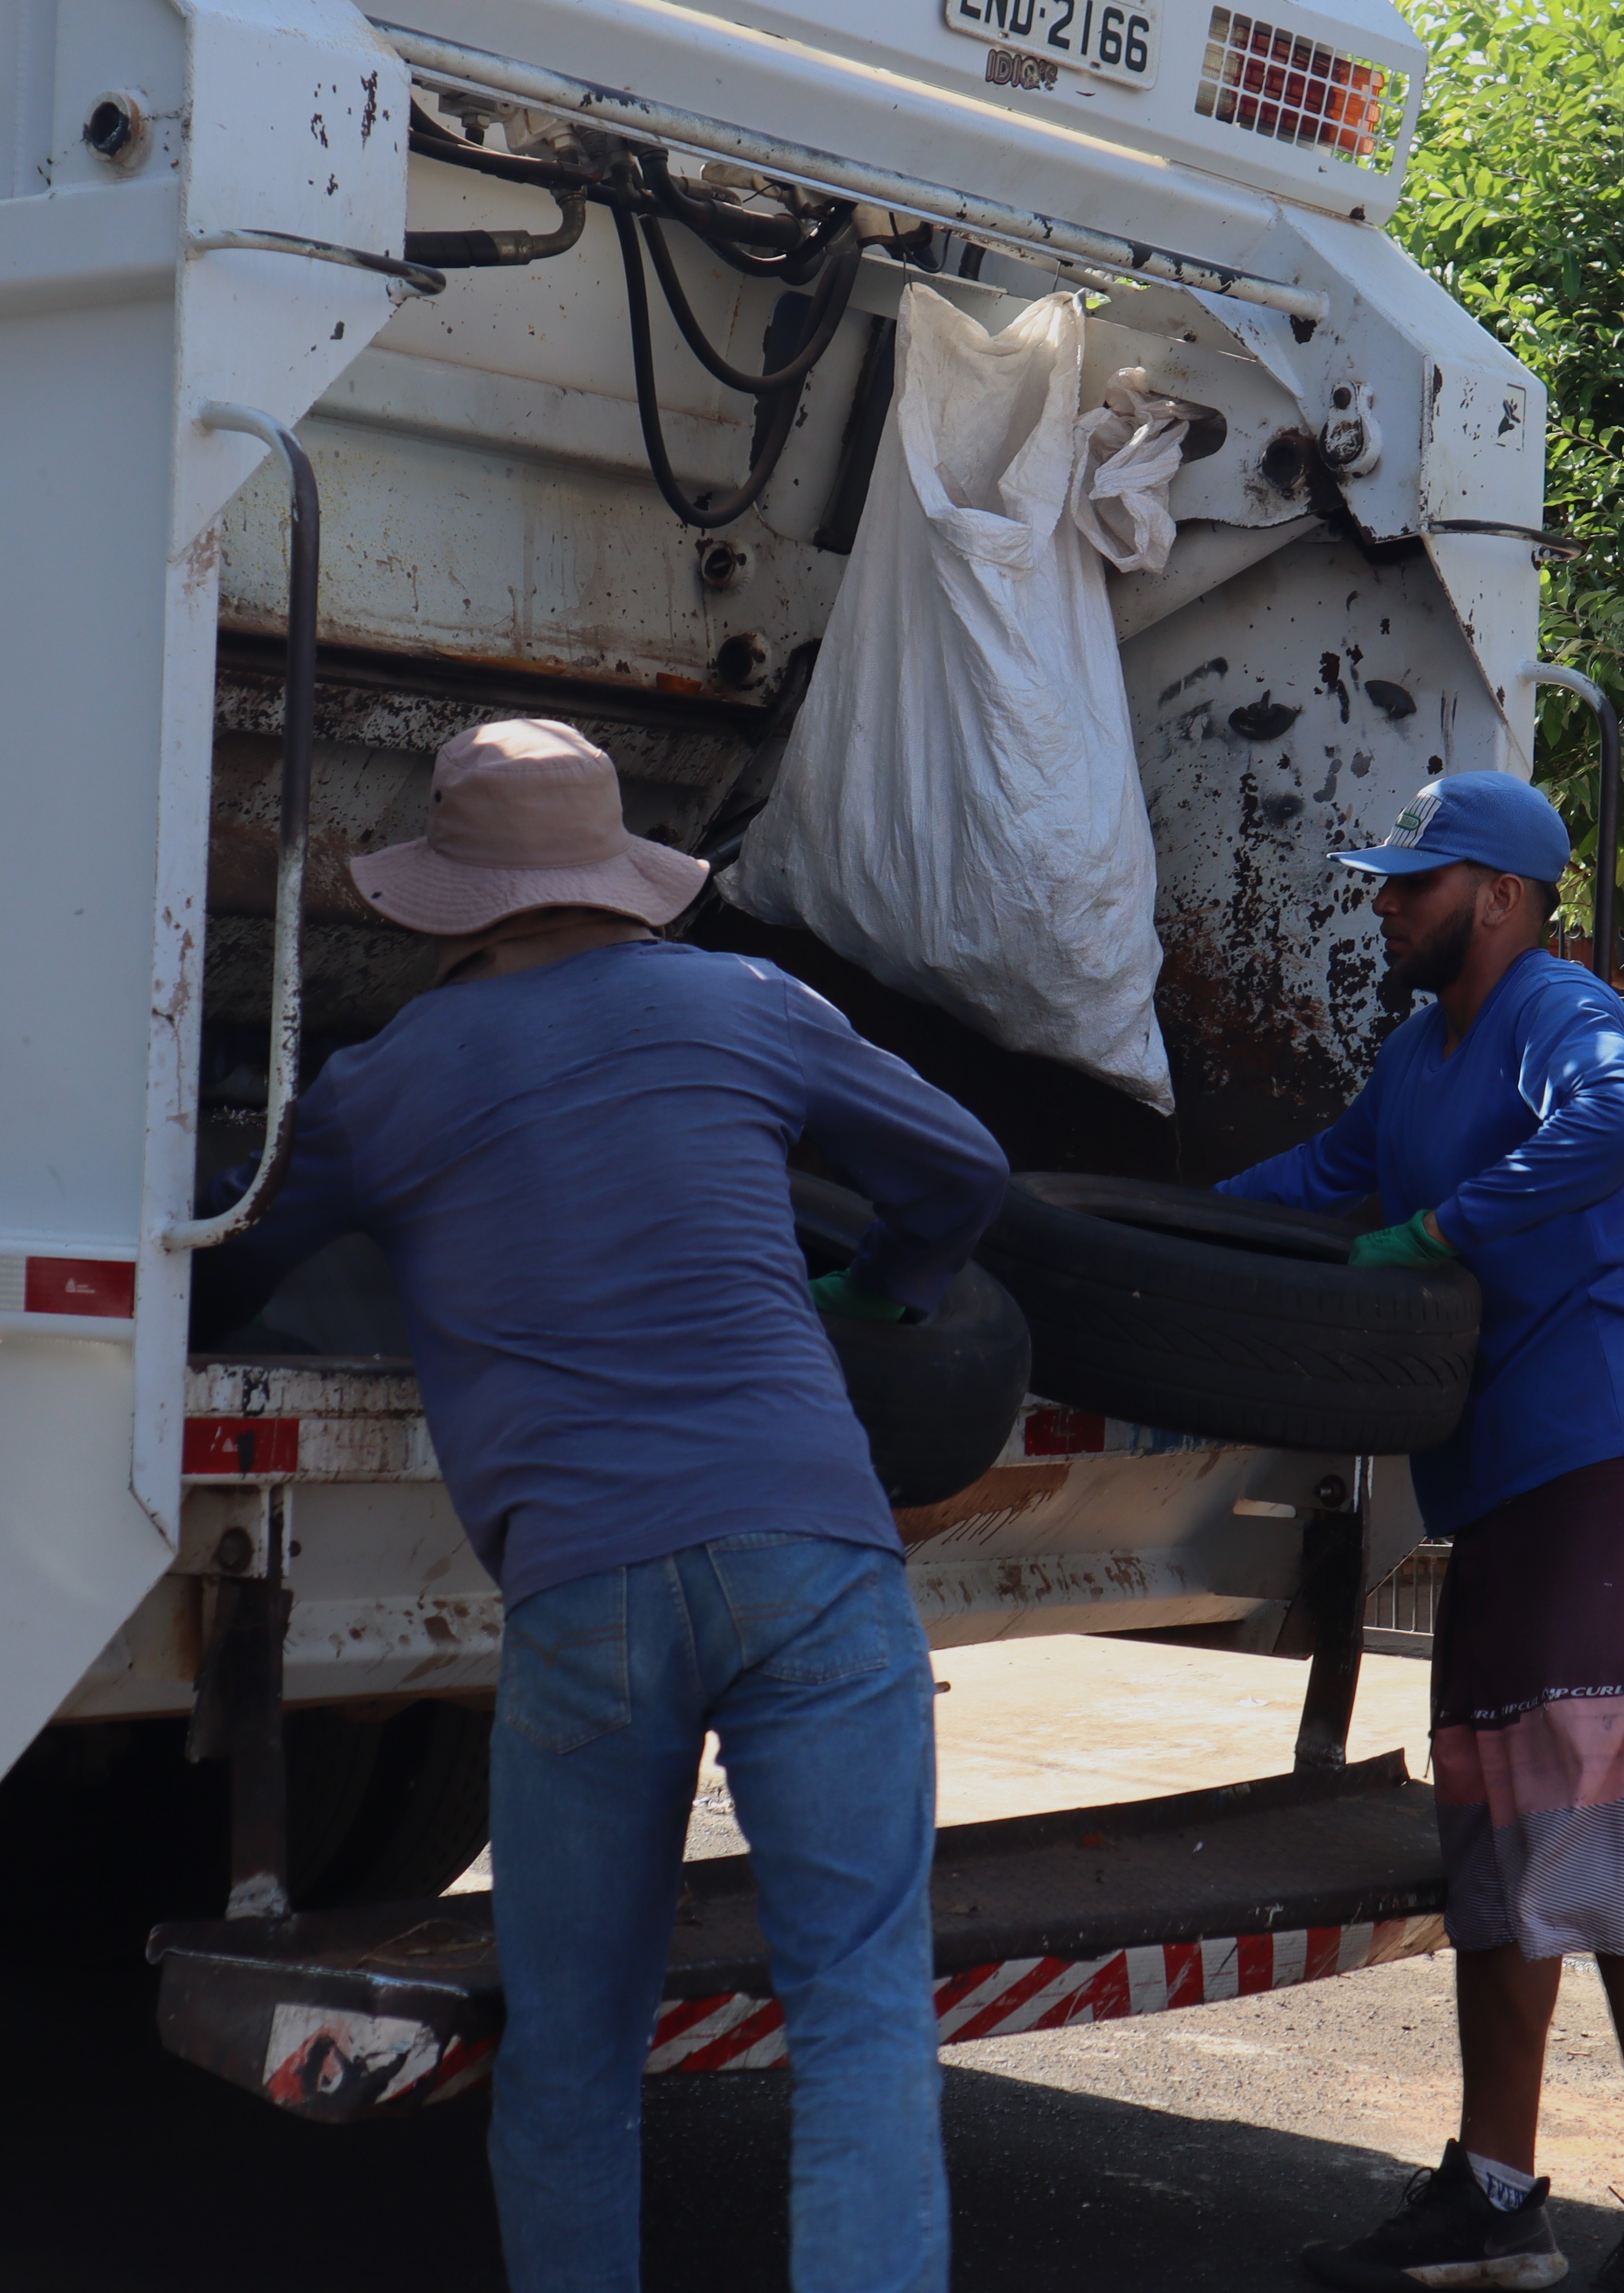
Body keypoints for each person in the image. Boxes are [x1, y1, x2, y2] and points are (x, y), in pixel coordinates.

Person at [189, 718, 1007, 2293]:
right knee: (859, 2016)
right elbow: (962, 1173)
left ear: (455, 897)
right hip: (813, 1560)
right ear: (617, 876)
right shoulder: (750, 1004)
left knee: (571, 2053)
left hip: (588, 1591)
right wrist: (881, 1292)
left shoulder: (382, 1085)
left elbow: (236, 1264)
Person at [1218, 770, 1624, 2293]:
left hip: (1607, 1484)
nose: (1386, 903)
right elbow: (1315, 1185)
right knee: (1500, 1862)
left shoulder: (1561, 1014)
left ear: (1498, 898)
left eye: (1414, 883)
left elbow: (1623, 1128)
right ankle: (1498, 2199)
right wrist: (1114, 1228)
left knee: (1605, 1852)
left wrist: (1441, 1231)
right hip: (1501, 1497)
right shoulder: (1422, 1055)